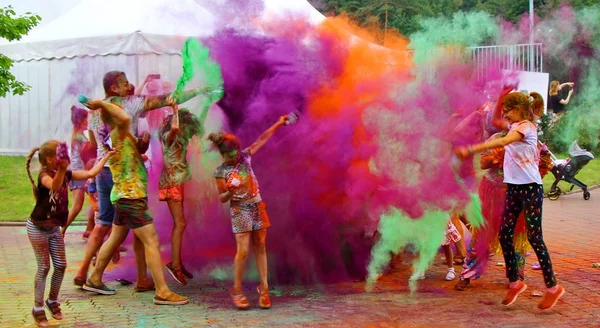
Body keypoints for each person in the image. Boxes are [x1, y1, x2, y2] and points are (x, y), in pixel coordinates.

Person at [75, 70, 209, 291]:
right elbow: (169, 99)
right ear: (114, 88)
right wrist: (199, 91)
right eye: (125, 83)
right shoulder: (129, 105)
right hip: (127, 178)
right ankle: (161, 290)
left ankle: (96, 276)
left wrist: (138, 143)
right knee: (146, 235)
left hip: (106, 172)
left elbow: (97, 141)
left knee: (112, 229)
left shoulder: (97, 111)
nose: (130, 86)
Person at [455, 92, 564, 310]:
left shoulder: (526, 127)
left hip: (530, 189)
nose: (504, 113)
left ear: (519, 110)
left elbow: (505, 141)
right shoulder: (514, 125)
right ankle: (515, 282)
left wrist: (471, 149)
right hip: (513, 189)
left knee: (535, 238)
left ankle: (553, 288)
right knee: (505, 234)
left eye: (507, 110)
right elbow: (497, 124)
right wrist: (503, 96)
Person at [82, 98, 188, 305]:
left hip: (123, 196)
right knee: (152, 242)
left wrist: (143, 143)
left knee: (114, 238)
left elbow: (134, 152)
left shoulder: (118, 136)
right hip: (131, 198)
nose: (125, 113)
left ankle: (95, 278)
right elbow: (123, 117)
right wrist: (100, 104)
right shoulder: (119, 131)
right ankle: (163, 292)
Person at [25, 140, 111, 327]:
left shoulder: (65, 174)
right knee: (44, 267)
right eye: (59, 155)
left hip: (53, 228)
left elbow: (90, 173)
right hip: (37, 228)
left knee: (61, 265)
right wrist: (63, 170)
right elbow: (54, 186)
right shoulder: (44, 176)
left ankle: (52, 301)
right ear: (49, 159)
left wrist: (107, 156)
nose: (64, 158)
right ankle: (38, 308)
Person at [209, 116, 289, 310]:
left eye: (236, 152)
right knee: (243, 250)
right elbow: (222, 198)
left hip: (256, 205)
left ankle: (265, 288)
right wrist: (229, 188)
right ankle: (237, 289)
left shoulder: (245, 157)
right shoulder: (220, 171)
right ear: (223, 155)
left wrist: (278, 123)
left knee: (260, 245)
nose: (235, 156)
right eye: (231, 155)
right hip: (239, 208)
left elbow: (262, 139)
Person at [159, 103, 204, 285]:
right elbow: (176, 127)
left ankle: (178, 262)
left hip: (177, 181)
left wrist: (207, 103)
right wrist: (175, 109)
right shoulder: (169, 136)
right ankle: (174, 265)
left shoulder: (180, 138)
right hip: (171, 183)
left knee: (181, 223)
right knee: (180, 223)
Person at [63, 106, 89, 236]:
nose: (88, 121)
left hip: (77, 173)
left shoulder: (79, 135)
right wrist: (88, 176)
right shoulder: (79, 137)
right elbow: (84, 157)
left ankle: (89, 229)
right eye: (86, 118)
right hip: (78, 174)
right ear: (81, 120)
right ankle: (60, 231)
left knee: (89, 205)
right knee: (77, 206)